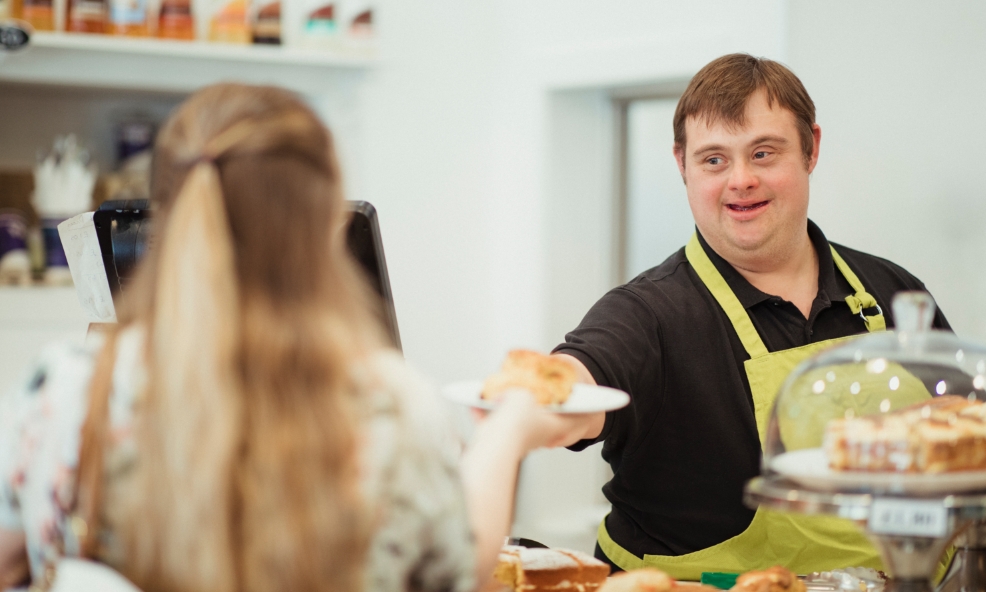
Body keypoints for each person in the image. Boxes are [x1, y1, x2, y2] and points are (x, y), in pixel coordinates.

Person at [0, 84, 593, 592]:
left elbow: (10, 557)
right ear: (323, 222)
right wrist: (509, 434)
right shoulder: (386, 402)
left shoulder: (67, 383)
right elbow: (456, 566)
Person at [550, 54, 951, 578]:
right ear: (683, 165)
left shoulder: (893, 292)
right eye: (714, 160)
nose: (741, 180)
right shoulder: (647, 313)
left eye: (763, 153)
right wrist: (537, 400)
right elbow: (578, 383)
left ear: (812, 149)